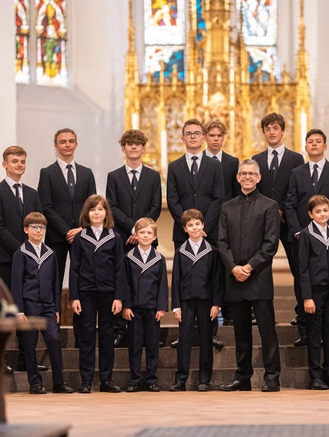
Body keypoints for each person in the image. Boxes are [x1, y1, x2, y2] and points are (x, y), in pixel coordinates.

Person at [218, 159, 281, 392]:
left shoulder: (269, 205)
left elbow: (271, 243)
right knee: (241, 332)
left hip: (259, 277)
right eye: (243, 173)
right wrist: (234, 267)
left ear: (258, 177)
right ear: (237, 177)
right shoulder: (227, 207)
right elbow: (221, 242)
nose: (247, 177)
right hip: (235, 278)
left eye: (251, 174)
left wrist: (250, 267)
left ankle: (272, 377)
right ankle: (242, 377)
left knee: (267, 331)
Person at [0, 145, 45, 374]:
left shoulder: (32, 193)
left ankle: (25, 359)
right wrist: (21, 249)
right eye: (14, 161)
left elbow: (39, 223)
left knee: (27, 310)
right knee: (4, 311)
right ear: (5, 164)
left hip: (29, 262)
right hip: (5, 261)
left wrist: (31, 251)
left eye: (22, 161)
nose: (19, 165)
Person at [167, 119, 225, 349]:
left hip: (208, 233)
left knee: (209, 282)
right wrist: (187, 225)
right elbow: (172, 199)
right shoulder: (174, 166)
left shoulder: (214, 166)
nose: (193, 137)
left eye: (197, 133)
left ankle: (211, 332)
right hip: (183, 234)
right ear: (182, 138)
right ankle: (185, 333)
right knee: (185, 282)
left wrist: (204, 227)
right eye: (188, 133)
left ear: (203, 138)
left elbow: (218, 197)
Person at [38, 128, 97, 347]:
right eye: (63, 142)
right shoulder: (47, 173)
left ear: (76, 144)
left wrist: (81, 228)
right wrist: (66, 230)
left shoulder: (86, 173)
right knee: (54, 280)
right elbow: (46, 206)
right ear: (56, 146)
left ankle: (82, 333)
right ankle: (52, 331)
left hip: (84, 236)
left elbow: (92, 205)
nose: (67, 145)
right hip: (56, 236)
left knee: (83, 281)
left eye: (71, 141)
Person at [285, 128, 329, 346]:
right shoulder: (297, 172)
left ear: (325, 146)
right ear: (306, 146)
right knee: (302, 281)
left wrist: (327, 230)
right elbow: (290, 204)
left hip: (326, 239)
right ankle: (304, 330)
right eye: (310, 142)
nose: (314, 145)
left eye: (318, 141)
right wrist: (299, 231)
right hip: (301, 237)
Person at [106, 129, 162, 347]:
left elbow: (155, 206)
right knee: (122, 282)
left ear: (144, 148)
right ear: (123, 148)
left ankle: (149, 331)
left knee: (147, 283)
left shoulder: (153, 176)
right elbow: (112, 206)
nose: (134, 147)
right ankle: (121, 330)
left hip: (146, 238)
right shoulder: (114, 176)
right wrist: (132, 230)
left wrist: (142, 233)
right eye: (129, 144)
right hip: (123, 238)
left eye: (138, 144)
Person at [11, 212, 75, 394]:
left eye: (42, 227)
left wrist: (56, 307)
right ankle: (35, 383)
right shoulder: (20, 254)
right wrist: (19, 310)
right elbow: (16, 284)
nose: (38, 230)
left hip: (48, 305)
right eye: (34, 227)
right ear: (26, 230)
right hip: (29, 305)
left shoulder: (51, 254)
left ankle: (59, 382)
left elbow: (56, 283)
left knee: (54, 340)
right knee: (30, 343)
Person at [69, 194, 126, 393]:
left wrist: (119, 297)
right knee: (86, 336)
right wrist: (74, 296)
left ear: (106, 213)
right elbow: (74, 268)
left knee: (107, 335)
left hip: (108, 292)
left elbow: (120, 268)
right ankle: (86, 380)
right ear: (87, 213)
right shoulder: (80, 238)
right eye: (93, 209)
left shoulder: (115, 237)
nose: (96, 213)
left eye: (100, 209)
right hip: (85, 292)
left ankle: (106, 380)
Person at [252, 113, 304, 326]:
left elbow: (297, 189)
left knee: (298, 267)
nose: (272, 132)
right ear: (263, 132)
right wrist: (269, 211)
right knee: (261, 269)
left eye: (275, 128)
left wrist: (282, 210)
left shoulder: (296, 159)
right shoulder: (256, 160)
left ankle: (301, 312)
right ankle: (260, 314)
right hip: (263, 223)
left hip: (288, 221)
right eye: (267, 129)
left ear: (283, 130)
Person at [169, 209, 224, 392]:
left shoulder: (212, 251)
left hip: (206, 301)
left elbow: (217, 280)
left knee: (206, 339)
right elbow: (176, 279)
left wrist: (216, 304)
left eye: (197, 224)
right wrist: (176, 305)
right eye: (190, 225)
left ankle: (204, 379)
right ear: (185, 228)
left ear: (203, 226)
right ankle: (180, 379)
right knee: (184, 339)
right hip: (185, 301)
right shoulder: (180, 252)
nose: (194, 228)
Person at [298, 195, 329, 390]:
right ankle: (315, 375)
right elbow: (302, 269)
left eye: (325, 210)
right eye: (318, 211)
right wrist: (307, 297)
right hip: (314, 292)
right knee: (314, 333)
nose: (322, 214)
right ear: (310, 214)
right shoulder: (306, 235)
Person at [123, 217, 168, 393]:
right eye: (142, 232)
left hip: (152, 309)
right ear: (136, 234)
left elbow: (163, 284)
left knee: (152, 345)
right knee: (134, 345)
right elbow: (125, 283)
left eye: (149, 233)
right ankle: (135, 379)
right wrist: (126, 306)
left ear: (155, 236)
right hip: (134, 309)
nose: (145, 235)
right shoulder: (128, 258)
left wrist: (161, 307)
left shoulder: (159, 259)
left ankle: (151, 379)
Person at [204, 119, 240, 327]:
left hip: (226, 223)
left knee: (227, 267)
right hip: (204, 223)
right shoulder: (199, 161)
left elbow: (235, 196)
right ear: (205, 137)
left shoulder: (232, 162)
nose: (216, 139)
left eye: (219, 135)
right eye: (212, 135)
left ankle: (228, 311)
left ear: (224, 137)